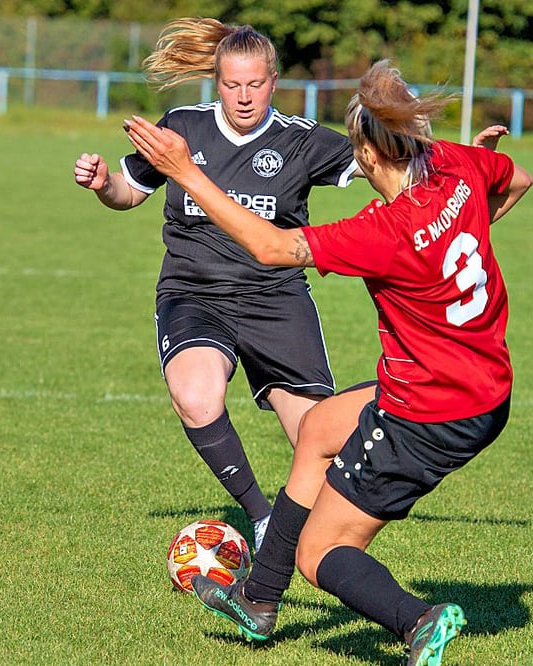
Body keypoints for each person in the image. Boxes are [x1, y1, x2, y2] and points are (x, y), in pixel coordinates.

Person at [124, 59, 533, 665]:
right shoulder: (457, 164)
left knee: (320, 553)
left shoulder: (385, 231)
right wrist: (465, 223)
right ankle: (258, 600)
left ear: (366, 153)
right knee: (318, 428)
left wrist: (185, 171)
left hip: (428, 414)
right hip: (481, 386)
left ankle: (419, 621)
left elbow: (270, 246)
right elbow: (519, 178)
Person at [73, 18, 360, 550]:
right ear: (216, 82)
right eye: (231, 85)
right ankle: (262, 516)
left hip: (276, 299)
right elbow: (128, 192)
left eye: (255, 84)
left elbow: (384, 165)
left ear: (274, 81)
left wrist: (460, 165)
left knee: (318, 440)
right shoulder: (183, 127)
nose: (243, 97)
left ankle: (329, 546)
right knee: (196, 396)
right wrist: (102, 183)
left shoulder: (301, 140)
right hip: (194, 292)